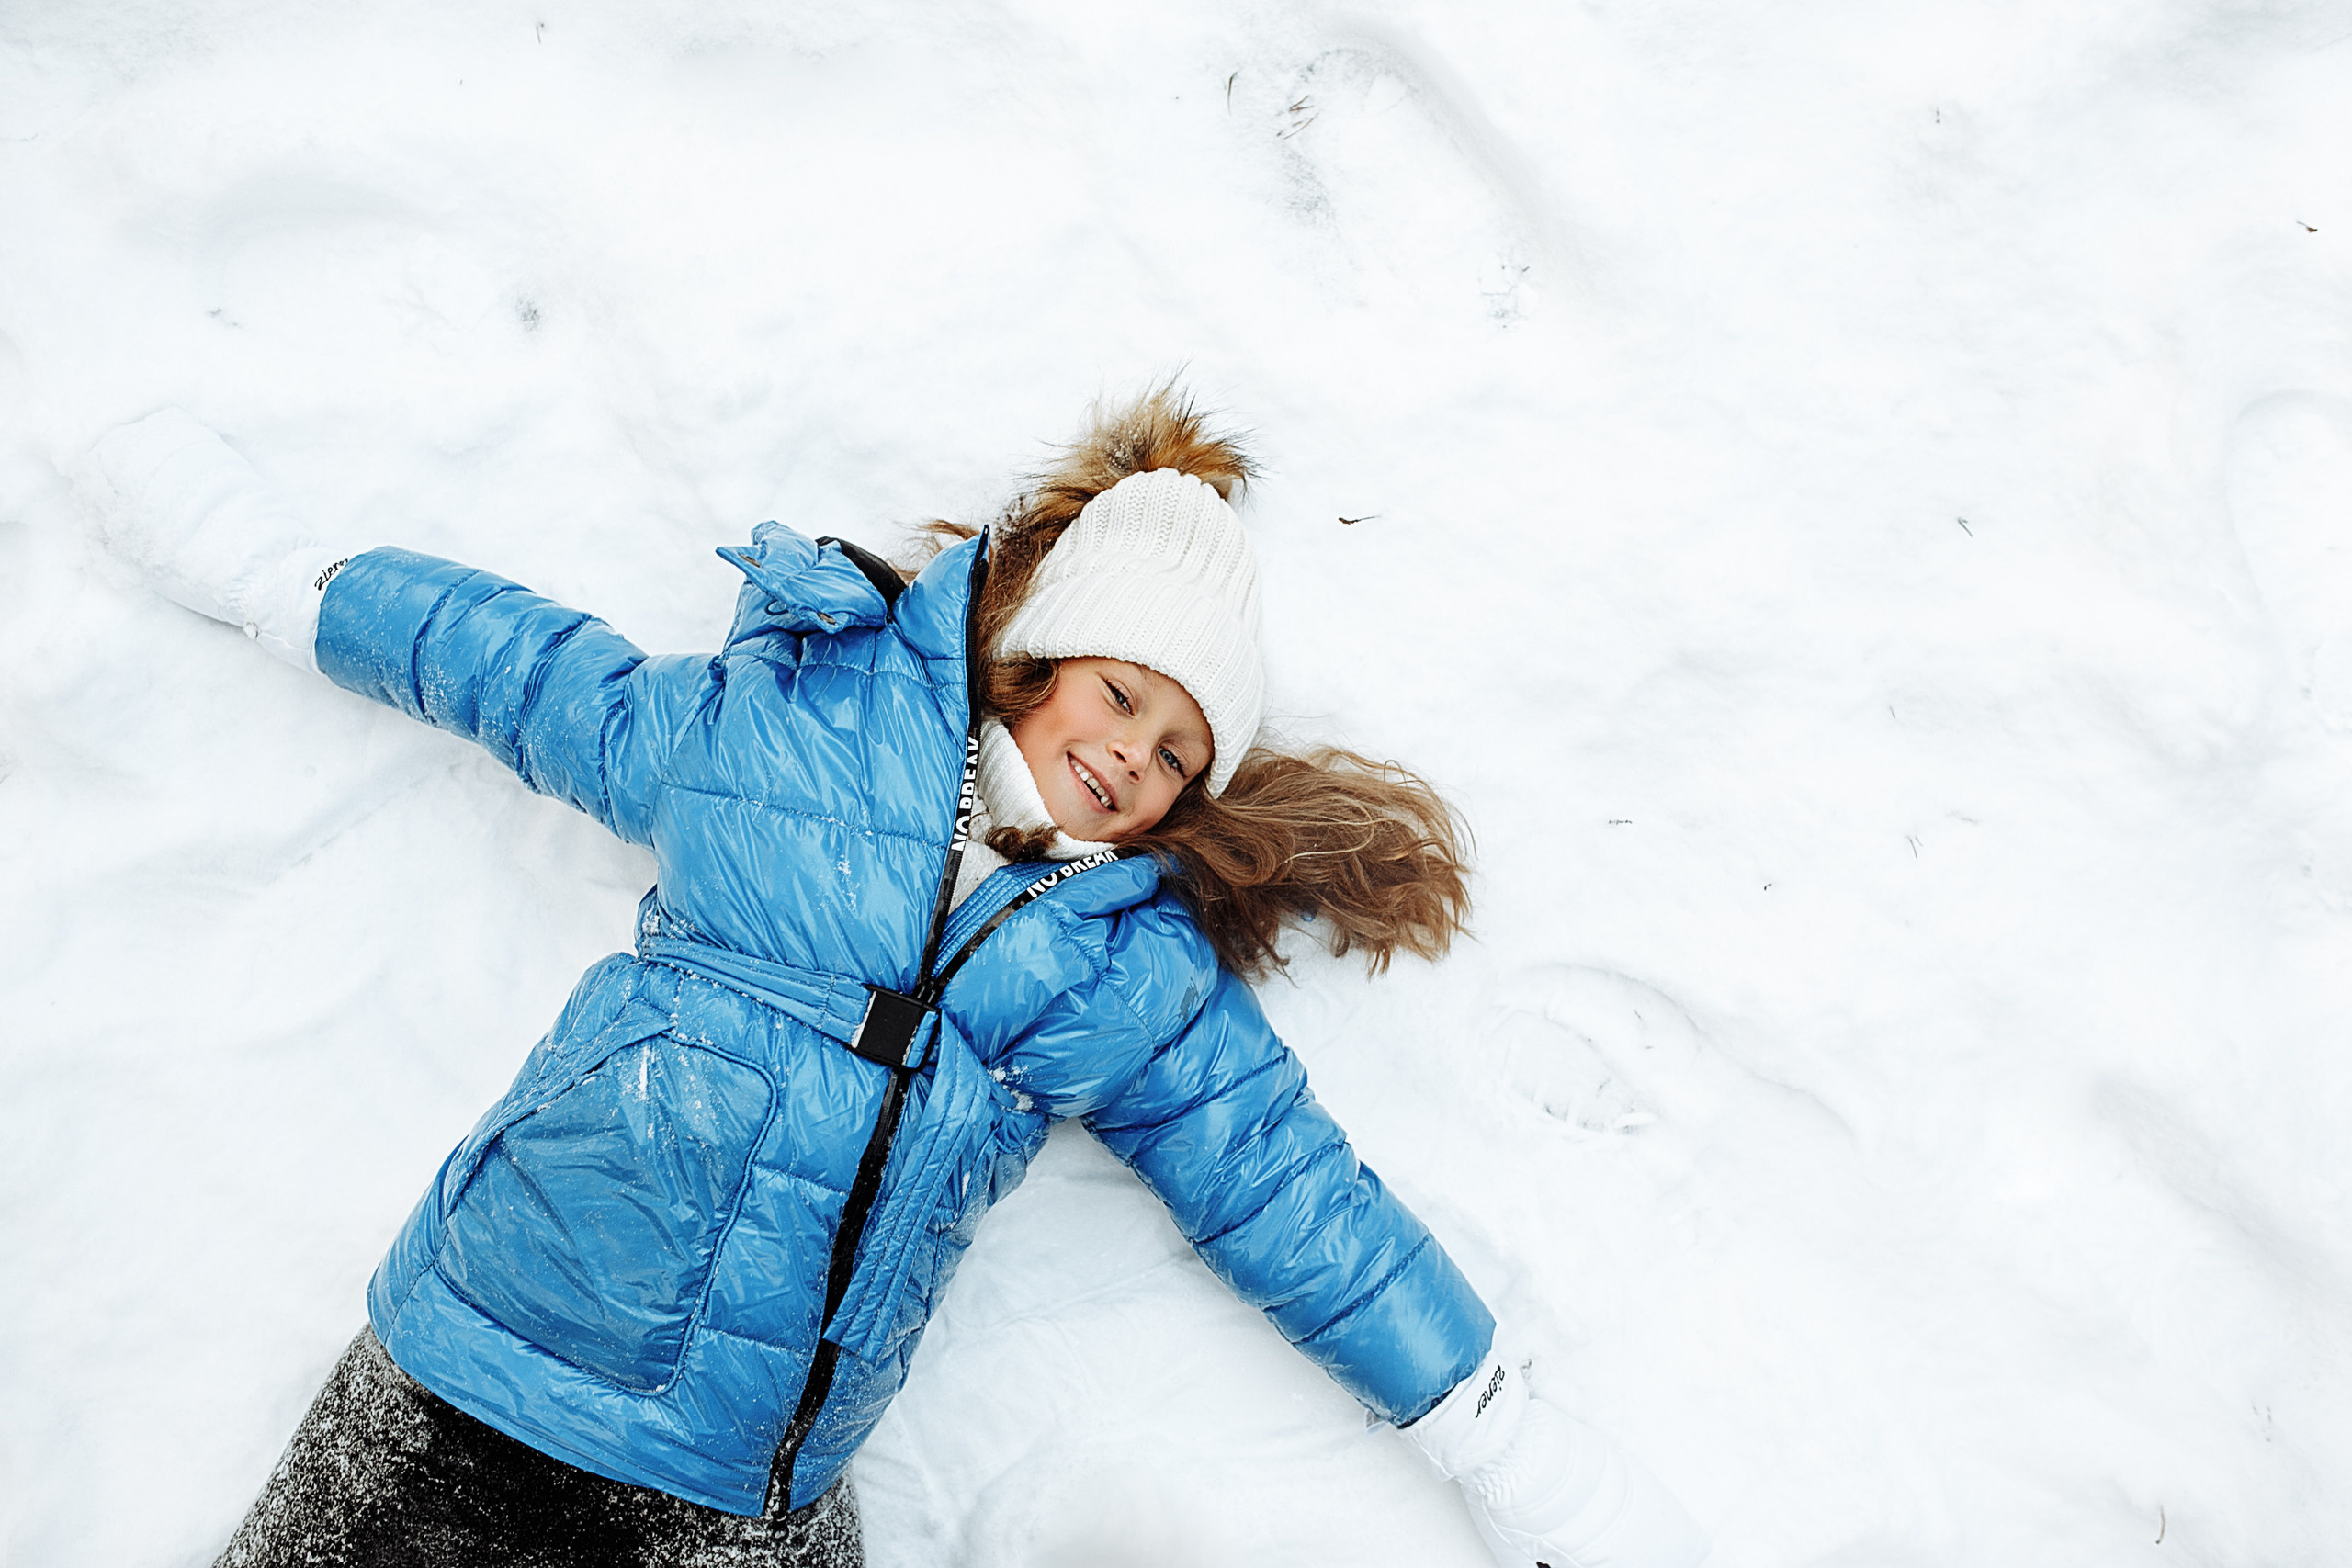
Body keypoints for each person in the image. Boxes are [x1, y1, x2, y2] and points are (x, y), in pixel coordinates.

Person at [81, 389, 1709, 1568]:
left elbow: (1290, 1199)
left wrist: (1494, 1431)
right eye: (1121, 697)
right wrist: (274, 576)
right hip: (489, 1343)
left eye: (1175, 752)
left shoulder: (1126, 970)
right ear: (1034, 660)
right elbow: (523, 674)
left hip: (743, 1480)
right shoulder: (778, 733)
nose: (1131, 757)